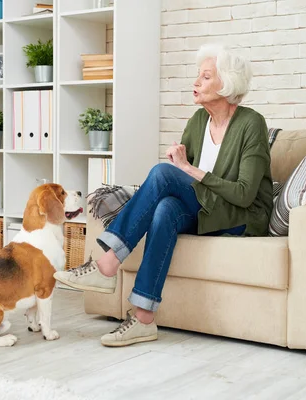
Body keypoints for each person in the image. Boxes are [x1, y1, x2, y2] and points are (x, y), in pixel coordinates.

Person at [54, 44, 273, 347]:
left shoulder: (252, 123)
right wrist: (181, 167)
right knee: (166, 209)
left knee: (160, 173)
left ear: (227, 83)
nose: (196, 82)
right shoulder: (198, 121)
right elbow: (179, 180)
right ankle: (144, 318)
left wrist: (186, 168)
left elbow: (245, 194)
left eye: (206, 77)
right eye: (198, 76)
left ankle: (107, 262)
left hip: (240, 216)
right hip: (206, 208)